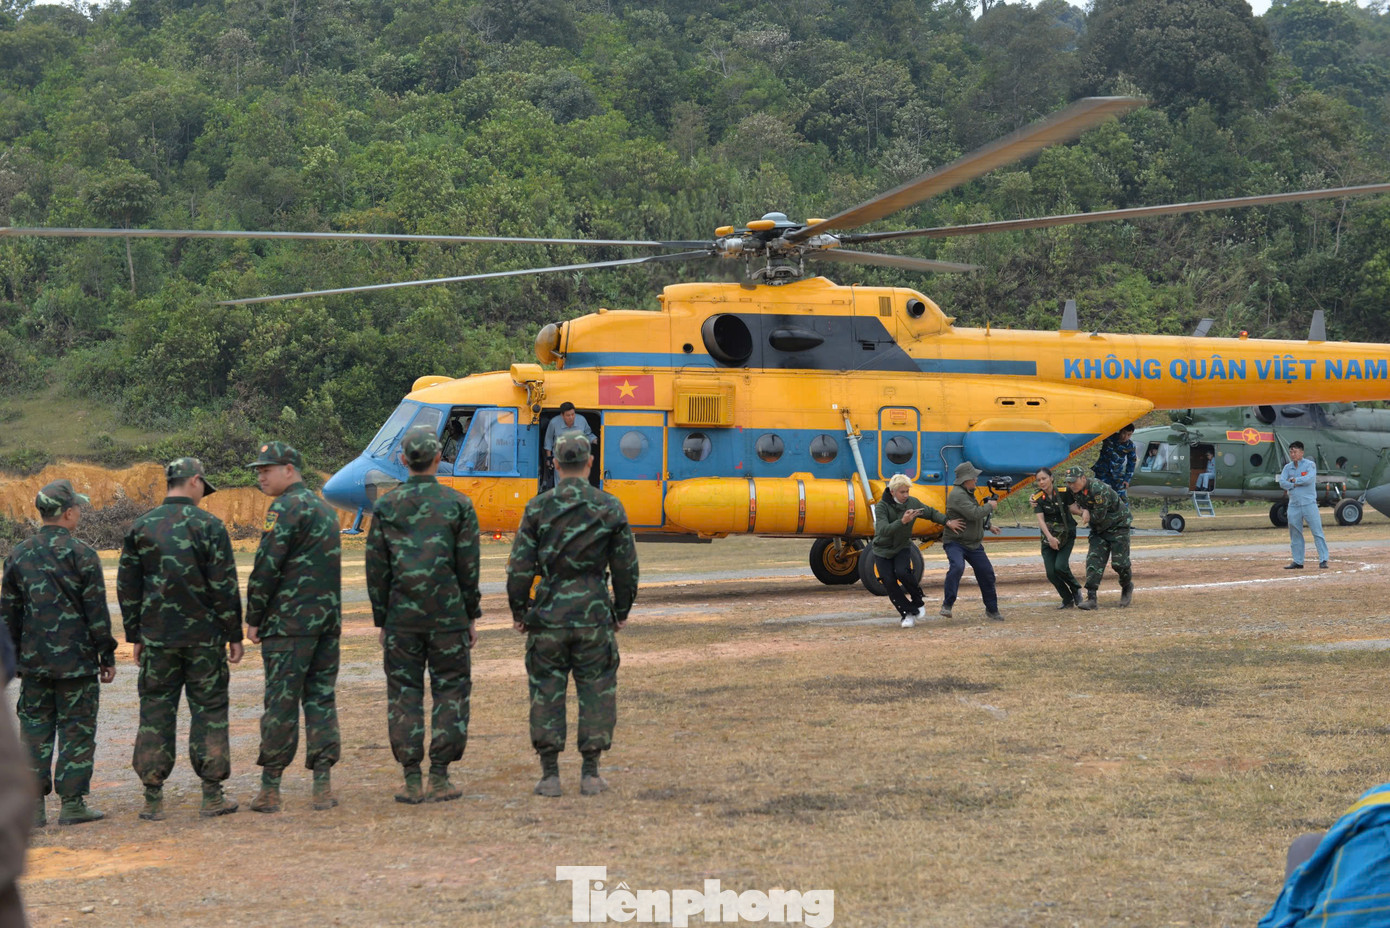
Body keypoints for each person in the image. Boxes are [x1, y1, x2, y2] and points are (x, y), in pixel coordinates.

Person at [506, 431, 637, 798]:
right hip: (594, 615)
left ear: (555, 463)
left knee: (546, 691)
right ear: (590, 462)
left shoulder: (537, 507)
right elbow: (626, 567)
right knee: (596, 691)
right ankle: (591, 773)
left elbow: (519, 568)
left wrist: (520, 610)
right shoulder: (610, 507)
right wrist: (621, 610)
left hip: (548, 616)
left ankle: (549, 774)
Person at [118, 458, 243, 820]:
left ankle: (153, 799)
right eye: (204, 485)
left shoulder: (142, 527)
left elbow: (128, 586)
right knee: (210, 712)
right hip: (205, 641)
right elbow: (225, 586)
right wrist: (233, 633)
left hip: (158, 639)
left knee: (155, 713)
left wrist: (135, 634)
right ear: (194, 481)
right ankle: (212, 795)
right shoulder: (210, 526)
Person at [366, 428, 482, 805]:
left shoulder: (385, 507)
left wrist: (382, 618)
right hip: (448, 618)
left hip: (402, 620)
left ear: (402, 460)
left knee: (404, 695)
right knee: (451, 691)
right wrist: (470, 616)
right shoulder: (458, 504)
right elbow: (468, 566)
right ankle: (440, 776)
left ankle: (411, 779)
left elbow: (376, 569)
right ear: (437, 459)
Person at [2, 479, 117, 828]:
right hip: (78, 664)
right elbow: (97, 612)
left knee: (34, 730)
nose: (79, 512)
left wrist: (15, 660)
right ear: (67, 513)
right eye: (77, 508)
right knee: (77, 729)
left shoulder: (18, 555)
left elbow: (8, 614)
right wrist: (106, 656)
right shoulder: (83, 555)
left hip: (34, 664)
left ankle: (34, 809)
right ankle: (72, 804)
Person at [244, 441, 343, 813]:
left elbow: (267, 565)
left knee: (281, 703)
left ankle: (271, 788)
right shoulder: (324, 509)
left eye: (266, 469)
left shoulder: (284, 508)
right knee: (320, 699)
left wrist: (254, 617)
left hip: (289, 626)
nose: (260, 476)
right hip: (326, 623)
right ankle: (323, 785)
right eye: (259, 470)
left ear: (290, 469)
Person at [871, 473, 963, 628]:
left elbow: (930, 513)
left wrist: (947, 522)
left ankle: (918, 600)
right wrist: (902, 521)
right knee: (889, 583)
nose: (906, 495)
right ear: (892, 491)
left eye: (907, 491)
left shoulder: (912, 503)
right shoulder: (881, 506)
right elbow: (883, 530)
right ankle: (907, 613)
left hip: (902, 546)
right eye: (902, 492)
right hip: (882, 550)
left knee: (902, 572)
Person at [1063, 465, 1134, 609]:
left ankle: (1127, 585)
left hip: (1117, 526)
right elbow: (1059, 499)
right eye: (1068, 482)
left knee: (1120, 564)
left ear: (1083, 478)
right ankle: (1091, 598)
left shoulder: (1098, 490)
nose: (1071, 485)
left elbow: (1098, 517)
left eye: (1073, 481)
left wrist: (1085, 512)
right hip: (1099, 529)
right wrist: (1083, 511)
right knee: (1093, 561)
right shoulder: (1072, 490)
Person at [940, 461, 1004, 621]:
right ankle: (947, 605)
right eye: (973, 477)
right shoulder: (958, 495)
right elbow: (974, 514)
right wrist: (990, 506)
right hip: (955, 542)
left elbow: (970, 518)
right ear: (965, 479)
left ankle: (992, 610)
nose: (976, 479)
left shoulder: (967, 492)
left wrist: (988, 526)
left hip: (973, 543)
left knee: (987, 573)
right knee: (957, 567)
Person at [1031, 468, 1083, 609]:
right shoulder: (1036, 498)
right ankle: (1067, 599)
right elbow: (1040, 520)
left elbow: (1073, 507)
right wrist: (1050, 538)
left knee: (1060, 566)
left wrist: (1083, 513)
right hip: (1049, 537)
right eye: (1039, 480)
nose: (1042, 482)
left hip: (1066, 535)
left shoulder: (1063, 492)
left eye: (1044, 478)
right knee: (1051, 573)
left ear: (1051, 478)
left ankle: (1076, 589)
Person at [1279, 440, 1329, 570]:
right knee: (1295, 533)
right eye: (1291, 452)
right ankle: (1298, 561)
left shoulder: (1309, 465)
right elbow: (1282, 482)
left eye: (1295, 451)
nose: (1292, 454)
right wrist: (1292, 484)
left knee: (1317, 532)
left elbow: (1309, 479)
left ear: (1302, 452)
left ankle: (1323, 559)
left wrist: (1295, 481)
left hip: (1309, 504)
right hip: (1294, 504)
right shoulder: (1287, 467)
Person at [542, 402, 597, 487]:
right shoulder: (554, 423)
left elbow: (588, 434)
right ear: (562, 415)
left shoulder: (582, 420)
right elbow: (548, 441)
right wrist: (549, 459)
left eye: (573, 414)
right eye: (568, 415)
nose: (571, 417)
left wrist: (596, 441)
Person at [1092, 424, 1137, 499]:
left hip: (1116, 475)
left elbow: (1131, 463)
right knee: (1099, 496)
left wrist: (1127, 479)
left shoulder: (1130, 446)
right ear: (1120, 431)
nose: (1125, 437)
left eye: (1129, 435)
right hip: (1102, 472)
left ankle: (1121, 511)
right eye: (1124, 433)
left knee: (1122, 498)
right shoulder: (1109, 437)